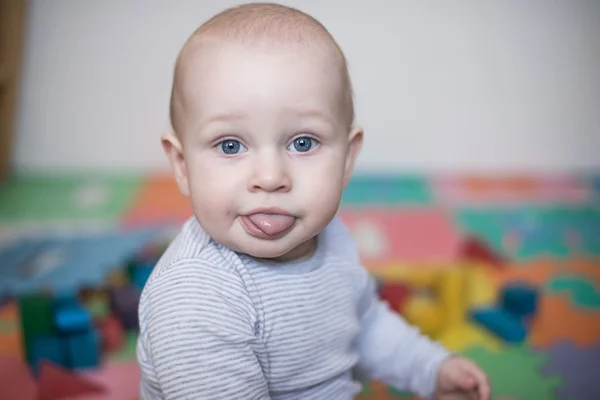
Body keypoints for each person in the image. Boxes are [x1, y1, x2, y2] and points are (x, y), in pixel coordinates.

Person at [136, 3, 491, 399]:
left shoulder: (330, 237)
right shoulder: (198, 298)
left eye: (302, 142)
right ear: (183, 166)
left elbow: (364, 324)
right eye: (231, 144)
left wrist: (430, 368)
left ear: (347, 158)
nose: (270, 177)